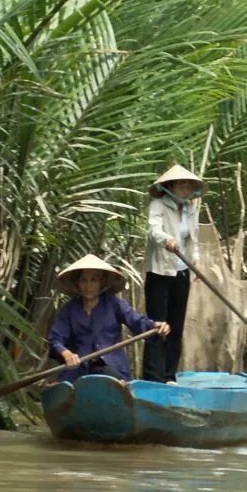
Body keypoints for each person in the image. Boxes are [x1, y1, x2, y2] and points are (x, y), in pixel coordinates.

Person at [48, 255, 169, 383]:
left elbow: (137, 322)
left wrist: (155, 326)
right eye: (83, 280)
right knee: (65, 389)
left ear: (102, 283)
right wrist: (66, 353)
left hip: (112, 367)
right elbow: (55, 338)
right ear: (77, 283)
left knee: (113, 384)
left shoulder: (114, 303)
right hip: (79, 367)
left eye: (94, 280)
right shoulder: (69, 309)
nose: (88, 285)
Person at [144, 164, 205, 383]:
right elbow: (154, 230)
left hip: (182, 271)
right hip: (160, 271)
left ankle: (169, 375)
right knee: (158, 325)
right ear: (169, 186)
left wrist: (195, 261)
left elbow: (193, 239)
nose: (185, 189)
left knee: (176, 325)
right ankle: (153, 377)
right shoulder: (158, 205)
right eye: (180, 185)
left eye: (188, 186)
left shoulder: (191, 209)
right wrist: (166, 240)